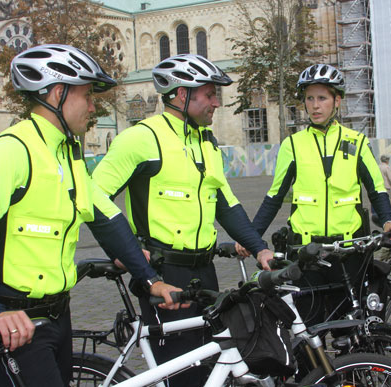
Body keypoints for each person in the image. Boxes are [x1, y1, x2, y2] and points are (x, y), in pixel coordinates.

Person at [0, 44, 181, 387]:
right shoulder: (9, 152)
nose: (93, 107)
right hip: (16, 325)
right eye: (87, 96)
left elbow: (106, 221)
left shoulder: (68, 154)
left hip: (58, 316)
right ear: (58, 94)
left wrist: (150, 279)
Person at [92, 53, 274, 386]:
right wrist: (122, 250)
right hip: (164, 273)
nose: (216, 103)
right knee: (182, 375)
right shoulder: (140, 139)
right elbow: (93, 197)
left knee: (209, 366)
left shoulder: (207, 143)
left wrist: (260, 248)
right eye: (209, 94)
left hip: (204, 272)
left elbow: (226, 204)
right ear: (181, 94)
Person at [237, 64, 391, 327]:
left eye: (322, 98)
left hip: (349, 254)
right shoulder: (293, 145)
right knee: (309, 331)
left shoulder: (357, 141)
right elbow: (274, 197)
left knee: (348, 330)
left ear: (337, 101)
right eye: (310, 98)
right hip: (307, 255)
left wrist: (387, 220)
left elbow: (376, 189)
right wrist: (252, 237)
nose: (315, 105)